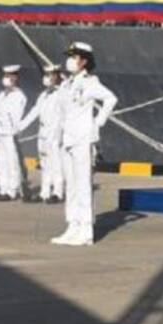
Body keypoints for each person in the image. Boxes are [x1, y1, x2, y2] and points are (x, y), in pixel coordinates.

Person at [54, 41, 118, 246]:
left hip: (82, 139)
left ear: (84, 62)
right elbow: (63, 112)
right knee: (71, 184)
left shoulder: (90, 83)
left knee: (83, 184)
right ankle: (72, 225)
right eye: (70, 57)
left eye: (74, 57)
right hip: (68, 139)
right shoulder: (66, 84)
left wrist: (97, 123)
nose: (69, 61)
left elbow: (110, 99)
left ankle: (86, 230)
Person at [20, 64, 66, 202]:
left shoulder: (62, 94)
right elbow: (35, 111)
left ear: (56, 76)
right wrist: (20, 126)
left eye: (49, 75)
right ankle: (44, 192)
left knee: (56, 163)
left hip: (55, 133)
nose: (46, 78)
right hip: (43, 133)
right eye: (45, 75)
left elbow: (66, 115)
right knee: (45, 163)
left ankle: (58, 192)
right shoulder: (44, 95)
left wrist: (62, 134)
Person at [0, 65, 28, 200]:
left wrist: (16, 130)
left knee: (12, 162)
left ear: (15, 78)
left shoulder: (20, 96)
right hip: (0, 133)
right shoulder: (2, 95)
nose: (6, 79)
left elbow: (17, 116)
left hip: (10, 134)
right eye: (5, 76)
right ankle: (4, 189)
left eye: (9, 76)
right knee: (1, 161)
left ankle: (12, 190)